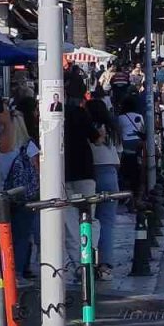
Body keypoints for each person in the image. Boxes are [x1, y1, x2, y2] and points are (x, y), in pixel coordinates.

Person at [63, 71, 101, 272]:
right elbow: (96, 138)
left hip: (64, 173)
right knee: (89, 218)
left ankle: (79, 265)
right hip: (85, 173)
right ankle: (90, 258)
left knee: (70, 223)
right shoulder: (81, 114)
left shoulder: (57, 115)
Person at [0, 107, 40, 283]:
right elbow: (37, 170)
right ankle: (18, 273)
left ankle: (4, 271)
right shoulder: (29, 146)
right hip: (24, 196)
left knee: (4, 234)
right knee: (22, 236)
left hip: (1, 196)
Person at [88, 99, 122, 280]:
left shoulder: (87, 127)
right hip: (111, 172)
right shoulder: (112, 129)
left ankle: (89, 261)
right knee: (108, 222)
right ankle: (105, 265)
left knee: (88, 221)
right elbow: (120, 154)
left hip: (90, 173)